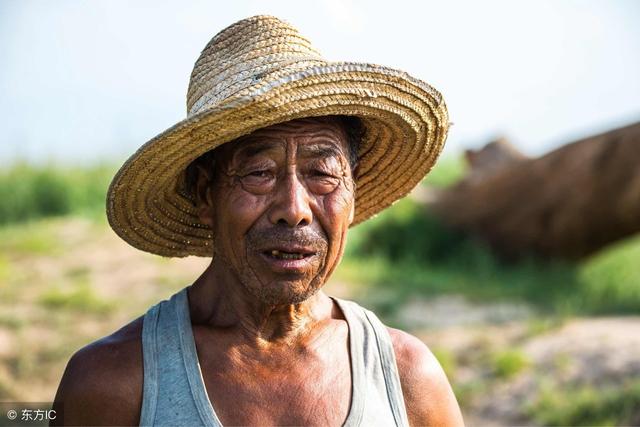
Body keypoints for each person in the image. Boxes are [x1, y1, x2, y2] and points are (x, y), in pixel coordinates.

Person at [52, 15, 463, 426]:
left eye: (321, 173)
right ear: (204, 193)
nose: (295, 208)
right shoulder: (114, 384)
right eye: (258, 173)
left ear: (353, 193)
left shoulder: (408, 378)